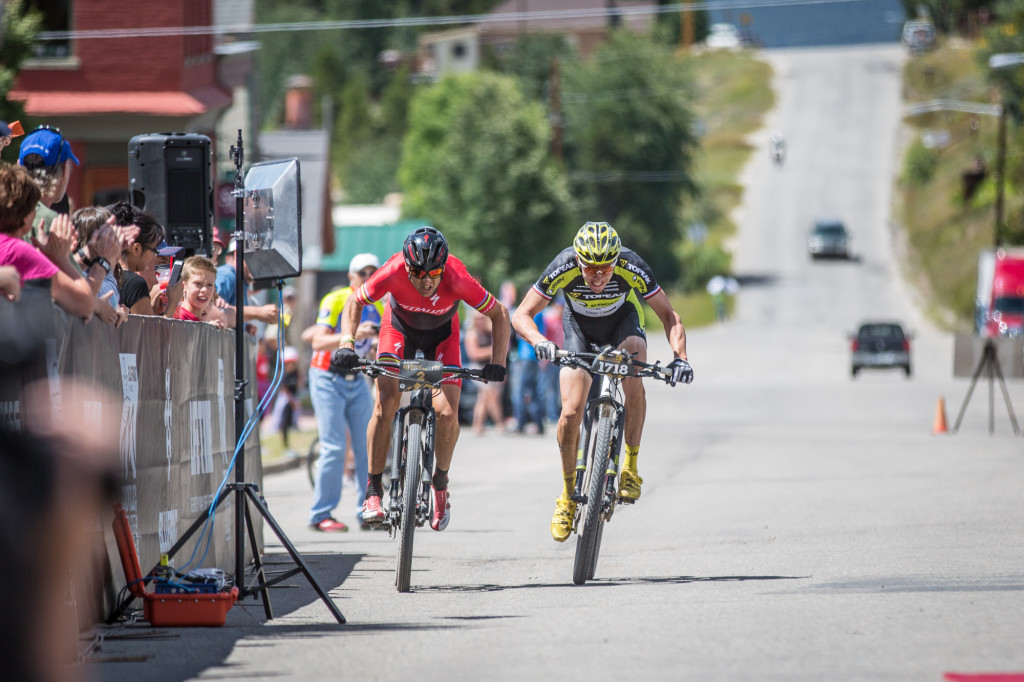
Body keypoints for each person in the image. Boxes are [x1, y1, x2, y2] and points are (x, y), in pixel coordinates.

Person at [511, 221, 693, 542]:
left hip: (621, 324)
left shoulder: (631, 265)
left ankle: (630, 467)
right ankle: (568, 495)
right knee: (570, 411)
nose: (597, 276)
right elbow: (521, 315)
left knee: (635, 371)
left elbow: (670, 316)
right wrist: (541, 340)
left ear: (616, 262)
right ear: (578, 260)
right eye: (590, 268)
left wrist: (680, 358)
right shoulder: (563, 264)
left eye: (606, 268)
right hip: (579, 329)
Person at [332, 227, 510, 531]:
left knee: (447, 413)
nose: (426, 280)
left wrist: (497, 362)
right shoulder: (392, 271)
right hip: (398, 330)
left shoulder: (457, 276)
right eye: (417, 272)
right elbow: (355, 301)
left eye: (434, 272)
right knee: (385, 402)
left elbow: (500, 313)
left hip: (443, 337)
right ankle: (373, 491)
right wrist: (346, 343)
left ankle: (440, 484)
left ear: (444, 267)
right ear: (406, 265)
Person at [305, 254, 384, 532]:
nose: (369, 278)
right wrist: (355, 336)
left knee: (368, 445)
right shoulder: (337, 299)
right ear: (351, 276)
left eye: (374, 273)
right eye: (363, 273)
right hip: (327, 377)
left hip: (356, 379)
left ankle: (367, 511)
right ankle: (321, 514)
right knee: (335, 446)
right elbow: (317, 341)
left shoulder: (379, 305)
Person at [0, 163, 110, 321]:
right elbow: (84, 303)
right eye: (34, 208)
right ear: (25, 217)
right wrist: (60, 258)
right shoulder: (19, 252)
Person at [464, 310, 504, 434]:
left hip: (488, 368)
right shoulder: (472, 335)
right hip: (477, 368)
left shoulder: (487, 333)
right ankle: (500, 424)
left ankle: (478, 425)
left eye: (483, 318)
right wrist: (492, 350)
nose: (481, 321)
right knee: (491, 394)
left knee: (484, 397)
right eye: (479, 318)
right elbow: (474, 354)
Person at [172, 255, 224, 328]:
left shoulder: (203, 323)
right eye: (198, 283)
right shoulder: (177, 319)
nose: (204, 290)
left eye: (209, 285)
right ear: (183, 286)